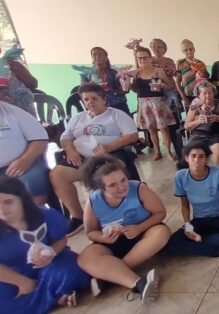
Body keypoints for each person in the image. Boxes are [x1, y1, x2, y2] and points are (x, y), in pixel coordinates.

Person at [76, 155, 169, 303]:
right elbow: (90, 232)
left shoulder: (139, 188)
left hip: (144, 234)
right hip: (113, 242)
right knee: (85, 258)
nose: (121, 187)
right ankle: (138, 282)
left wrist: (139, 228)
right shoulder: (93, 201)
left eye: (123, 180)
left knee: (162, 233)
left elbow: (160, 213)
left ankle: (107, 277)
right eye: (112, 185)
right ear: (101, 188)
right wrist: (103, 238)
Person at [50, 83, 139, 236]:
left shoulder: (116, 114)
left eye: (94, 98)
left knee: (105, 174)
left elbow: (132, 135)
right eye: (86, 99)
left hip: (109, 154)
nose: (90, 102)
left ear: (104, 99)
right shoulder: (78, 118)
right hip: (82, 158)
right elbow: (66, 137)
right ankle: (78, 216)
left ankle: (113, 213)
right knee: (57, 174)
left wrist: (109, 147)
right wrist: (70, 150)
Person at [0, 176, 89, 313]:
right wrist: (22, 282)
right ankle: (57, 296)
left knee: (69, 270)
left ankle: (43, 299)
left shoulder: (46, 215)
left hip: (51, 263)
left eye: (8, 202)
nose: (2, 209)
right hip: (12, 274)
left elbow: (61, 240)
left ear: (22, 199)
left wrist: (51, 252)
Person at [165, 141, 219, 259]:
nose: (197, 160)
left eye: (201, 156)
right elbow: (185, 205)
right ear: (186, 158)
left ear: (207, 159)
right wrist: (188, 227)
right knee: (171, 244)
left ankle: (201, 240)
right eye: (193, 156)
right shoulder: (180, 176)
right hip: (199, 219)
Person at [132, 46, 177, 161]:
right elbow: (135, 89)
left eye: (144, 57)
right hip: (143, 103)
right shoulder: (136, 73)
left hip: (158, 103)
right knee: (151, 129)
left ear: (150, 58)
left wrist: (162, 86)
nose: (142, 60)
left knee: (164, 129)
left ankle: (168, 151)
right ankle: (157, 151)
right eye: (139, 58)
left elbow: (171, 85)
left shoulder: (158, 71)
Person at [0, 101, 50, 205]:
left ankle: (34, 217)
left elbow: (40, 139)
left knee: (33, 180)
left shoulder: (14, 112)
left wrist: (25, 160)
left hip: (22, 163)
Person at [184, 81, 219, 169]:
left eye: (210, 93)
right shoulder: (195, 107)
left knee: (218, 150)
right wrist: (198, 121)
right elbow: (186, 126)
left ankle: (218, 176)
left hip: (214, 136)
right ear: (199, 95)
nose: (208, 96)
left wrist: (218, 118)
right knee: (194, 154)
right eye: (204, 93)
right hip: (197, 135)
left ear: (214, 93)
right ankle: (197, 174)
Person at [81, 47, 130, 115]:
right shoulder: (86, 75)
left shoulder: (115, 72)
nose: (97, 56)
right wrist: (91, 87)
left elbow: (126, 90)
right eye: (94, 54)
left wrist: (114, 92)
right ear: (91, 57)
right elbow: (83, 92)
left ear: (106, 57)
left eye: (100, 54)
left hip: (118, 106)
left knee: (125, 125)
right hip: (97, 108)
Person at [0, 47, 38, 116]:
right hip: (15, 117)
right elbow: (33, 83)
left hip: (18, 117)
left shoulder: (11, 64)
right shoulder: (10, 64)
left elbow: (33, 83)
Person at [149, 38, 179, 109]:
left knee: (173, 109)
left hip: (170, 89)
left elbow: (176, 75)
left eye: (159, 47)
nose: (156, 49)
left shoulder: (170, 61)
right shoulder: (149, 61)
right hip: (155, 91)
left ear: (164, 49)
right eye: (154, 47)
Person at [175, 39, 206, 107]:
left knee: (202, 116)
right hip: (188, 96)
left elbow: (206, 79)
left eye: (190, 49)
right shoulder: (180, 63)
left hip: (201, 95)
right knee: (190, 116)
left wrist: (203, 74)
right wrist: (184, 98)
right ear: (182, 51)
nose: (189, 51)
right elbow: (177, 82)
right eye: (185, 50)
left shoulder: (200, 63)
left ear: (194, 49)